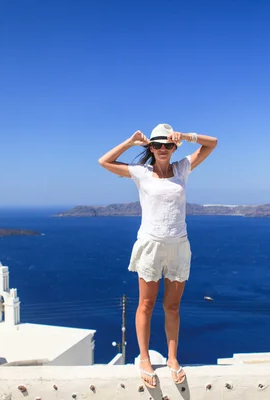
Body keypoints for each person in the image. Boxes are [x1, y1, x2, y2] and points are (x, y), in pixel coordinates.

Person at [98, 123, 218, 388]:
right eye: (157, 145)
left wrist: (187, 136)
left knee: (172, 306)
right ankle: (144, 358)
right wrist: (131, 142)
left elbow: (212, 143)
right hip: (151, 246)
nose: (162, 149)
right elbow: (103, 161)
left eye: (167, 144)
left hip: (178, 246)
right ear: (150, 148)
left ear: (174, 147)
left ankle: (173, 359)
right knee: (146, 304)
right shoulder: (141, 173)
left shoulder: (183, 168)